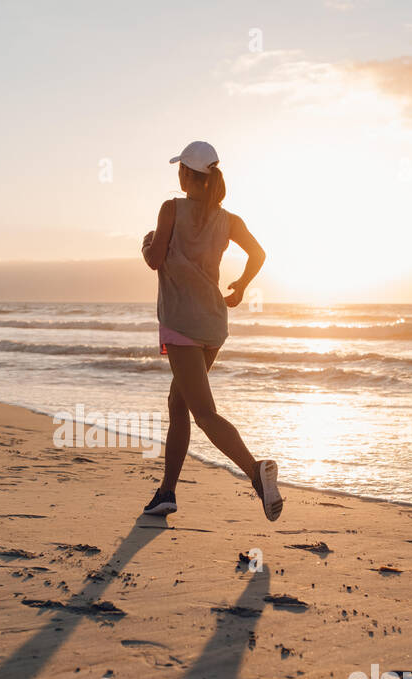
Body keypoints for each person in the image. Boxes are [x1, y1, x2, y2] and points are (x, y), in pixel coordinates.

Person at [140, 140, 282, 521]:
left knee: (203, 413)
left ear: (187, 174)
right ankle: (166, 492)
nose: (178, 175)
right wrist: (242, 285)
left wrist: (146, 244)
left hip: (181, 323)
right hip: (213, 325)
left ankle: (256, 472)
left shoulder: (170, 208)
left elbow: (155, 261)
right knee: (178, 403)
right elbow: (259, 254)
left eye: (180, 169)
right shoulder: (229, 219)